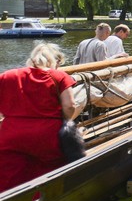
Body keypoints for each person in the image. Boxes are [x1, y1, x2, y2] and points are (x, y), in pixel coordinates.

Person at [0, 43, 77, 192]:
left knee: (9, 173)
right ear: (56, 61)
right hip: (47, 133)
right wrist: (65, 122)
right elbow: (70, 105)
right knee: (49, 173)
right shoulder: (59, 76)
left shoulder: (7, 75)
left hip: (11, 132)